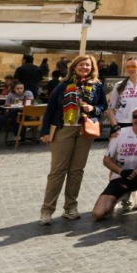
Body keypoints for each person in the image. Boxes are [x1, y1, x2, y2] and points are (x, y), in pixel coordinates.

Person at [38, 55, 107, 225]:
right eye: (81, 65)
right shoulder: (63, 85)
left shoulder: (97, 86)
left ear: (92, 68)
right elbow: (51, 108)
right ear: (74, 67)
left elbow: (103, 106)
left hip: (85, 130)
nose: (85, 67)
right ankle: (47, 210)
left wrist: (93, 108)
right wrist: (45, 131)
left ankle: (70, 207)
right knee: (58, 170)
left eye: (88, 65)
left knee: (77, 170)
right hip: (64, 128)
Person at [92, 106, 137, 221]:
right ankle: (122, 195)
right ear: (132, 119)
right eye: (135, 116)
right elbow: (106, 160)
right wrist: (122, 171)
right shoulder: (119, 133)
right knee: (98, 214)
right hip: (121, 177)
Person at [105, 57, 137, 137]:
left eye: (134, 66)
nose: (130, 69)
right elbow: (110, 109)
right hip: (121, 123)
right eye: (128, 67)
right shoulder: (119, 85)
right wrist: (114, 125)